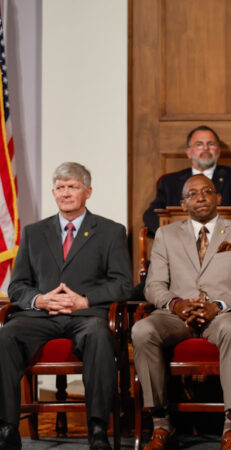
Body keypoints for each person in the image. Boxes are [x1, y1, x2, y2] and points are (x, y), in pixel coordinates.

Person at [0, 162, 134, 450]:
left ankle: (97, 429)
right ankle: (7, 428)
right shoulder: (34, 232)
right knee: (4, 336)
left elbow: (124, 284)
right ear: (53, 192)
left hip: (87, 315)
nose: (65, 193)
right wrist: (39, 299)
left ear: (87, 192)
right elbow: (17, 286)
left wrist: (85, 300)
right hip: (41, 315)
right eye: (60, 188)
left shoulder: (110, 231)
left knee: (99, 336)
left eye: (72, 186)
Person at [132, 175, 231, 450]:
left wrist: (219, 305)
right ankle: (161, 424)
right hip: (176, 314)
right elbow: (153, 285)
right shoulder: (166, 235)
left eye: (207, 191)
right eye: (193, 194)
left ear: (218, 198)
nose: (200, 197)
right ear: (182, 203)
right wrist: (176, 304)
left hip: (222, 314)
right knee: (142, 330)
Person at [143, 125, 231, 233]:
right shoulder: (169, 182)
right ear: (189, 152)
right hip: (179, 241)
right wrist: (171, 233)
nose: (206, 148)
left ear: (219, 151)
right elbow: (151, 215)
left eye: (211, 144)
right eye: (199, 144)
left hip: (222, 239)